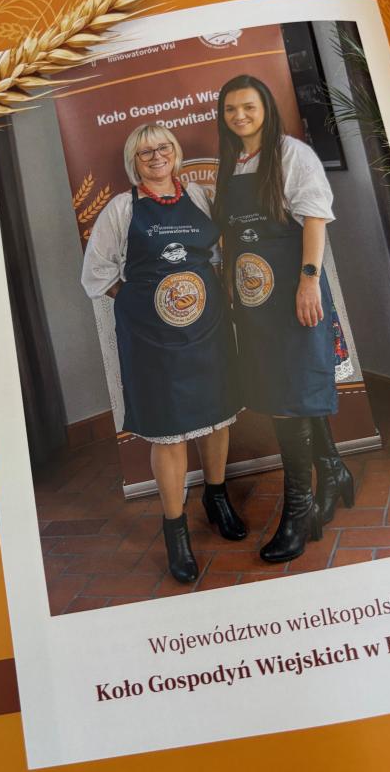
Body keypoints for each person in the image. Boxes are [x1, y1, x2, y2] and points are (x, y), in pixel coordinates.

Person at [81, 123, 245, 584]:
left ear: (175, 152)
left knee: (218, 416)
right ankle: (176, 530)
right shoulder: (121, 209)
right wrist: (143, 304)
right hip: (152, 338)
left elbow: (217, 255)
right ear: (134, 161)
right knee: (168, 432)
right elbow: (96, 274)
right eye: (145, 152)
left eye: (163, 148)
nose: (156, 156)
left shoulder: (198, 196)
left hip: (208, 328)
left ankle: (216, 497)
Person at [213, 74, 354, 564]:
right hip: (256, 302)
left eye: (248, 107)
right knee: (290, 390)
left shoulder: (292, 154)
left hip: (295, 292)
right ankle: (333, 470)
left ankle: (299, 508)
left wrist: (309, 281)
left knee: (290, 396)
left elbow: (314, 219)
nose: (239, 116)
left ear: (266, 109)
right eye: (230, 109)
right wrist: (230, 281)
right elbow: (232, 231)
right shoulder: (232, 161)